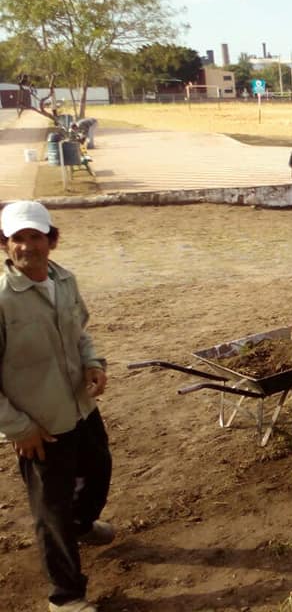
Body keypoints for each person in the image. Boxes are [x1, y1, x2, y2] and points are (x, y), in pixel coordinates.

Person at [0, 201, 113, 612]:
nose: (27, 246)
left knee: (99, 469)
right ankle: (65, 598)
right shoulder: (2, 300)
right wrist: (18, 428)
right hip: (41, 425)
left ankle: (83, 525)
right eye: (17, 238)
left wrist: (93, 363)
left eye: (36, 236)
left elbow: (79, 333)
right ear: (5, 245)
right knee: (52, 512)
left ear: (52, 239)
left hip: (81, 408)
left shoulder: (65, 280)